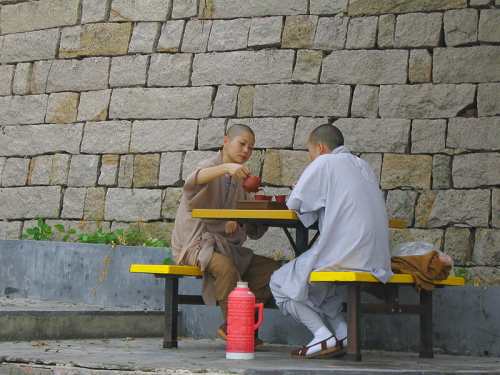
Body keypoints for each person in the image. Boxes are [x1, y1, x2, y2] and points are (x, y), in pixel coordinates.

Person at [270, 124, 392, 359]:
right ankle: (343, 333)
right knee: (318, 286)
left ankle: (322, 336)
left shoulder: (324, 162)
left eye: (310, 153)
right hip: (377, 256)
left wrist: (300, 190)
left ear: (321, 148)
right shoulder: (362, 165)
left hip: (346, 252)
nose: (311, 159)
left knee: (279, 283)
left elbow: (294, 204)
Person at [172, 123, 280, 342]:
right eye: (242, 144)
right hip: (195, 246)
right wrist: (225, 168)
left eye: (251, 148)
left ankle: (242, 321)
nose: (246, 151)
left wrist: (251, 212)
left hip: (228, 248)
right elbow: (192, 182)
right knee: (226, 269)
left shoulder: (242, 179)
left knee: (274, 272)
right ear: (225, 141)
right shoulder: (210, 166)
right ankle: (237, 328)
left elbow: (253, 229)